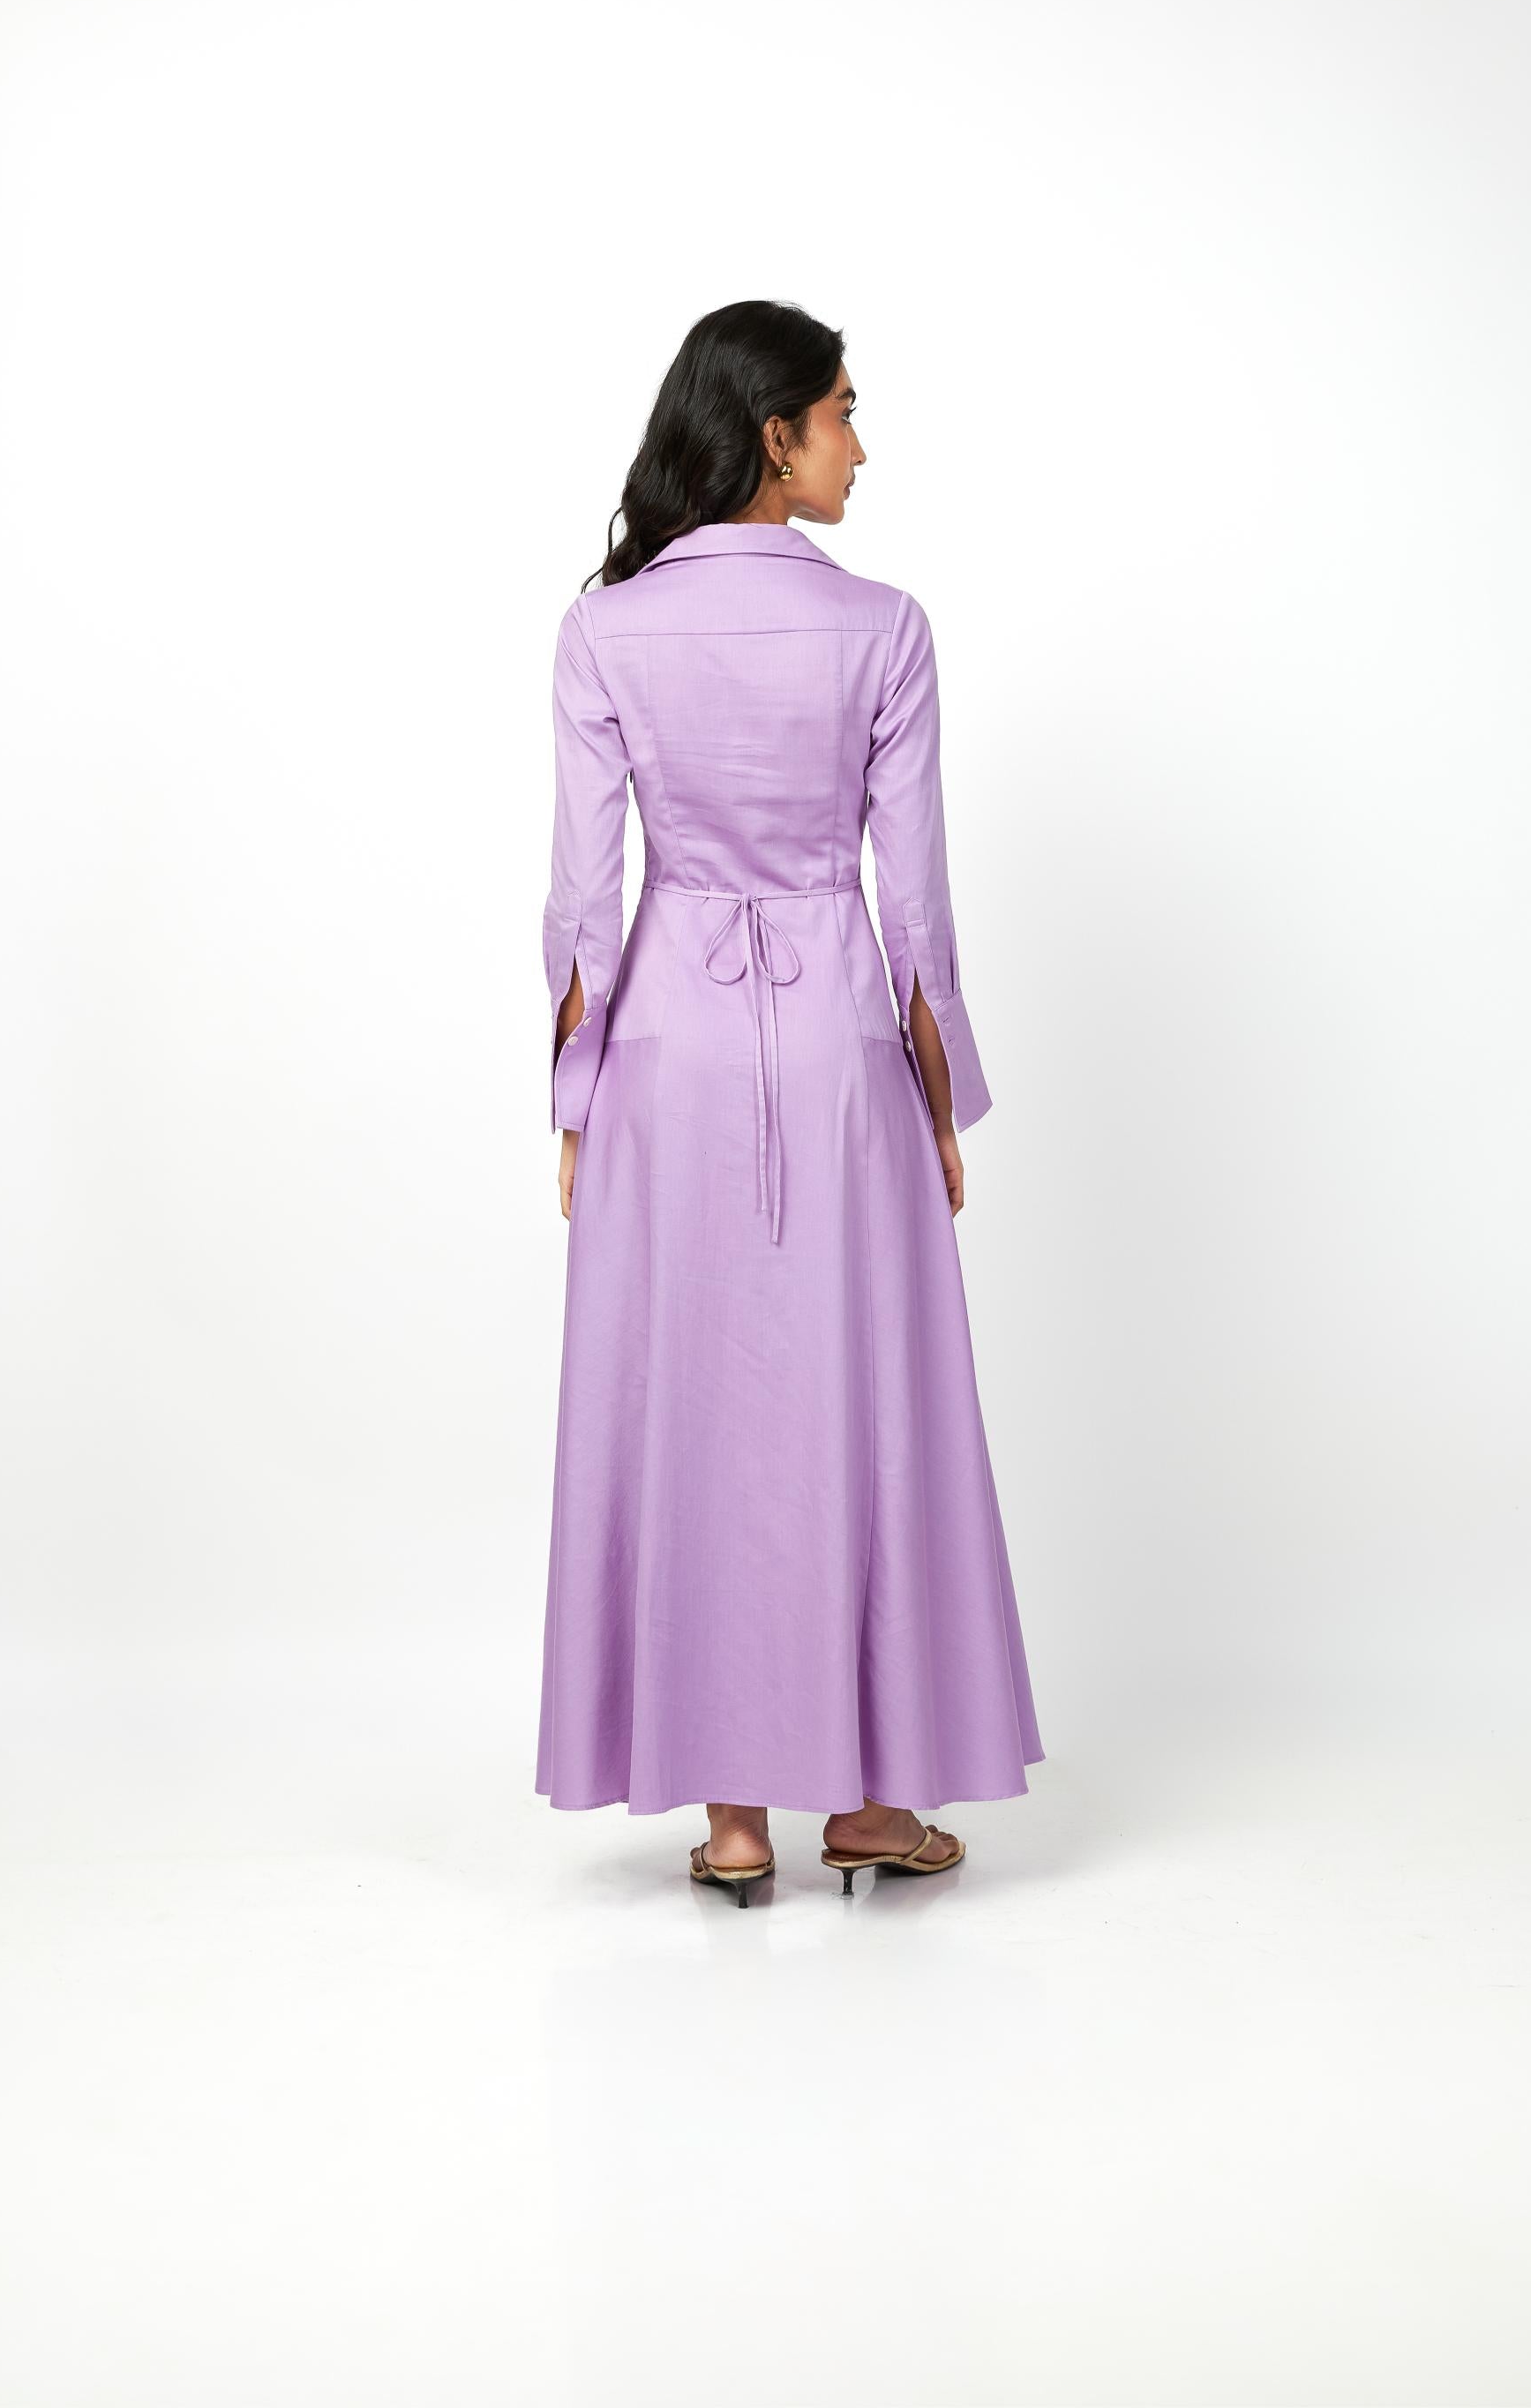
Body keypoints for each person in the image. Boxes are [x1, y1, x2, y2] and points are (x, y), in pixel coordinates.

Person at [535, 298, 1043, 1901]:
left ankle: (733, 1823)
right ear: (775, 435)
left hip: (664, 1054)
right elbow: (919, 906)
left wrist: (574, 1093)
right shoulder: (883, 628)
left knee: (687, 1404)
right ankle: (874, 1807)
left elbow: (582, 903)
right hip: (836, 1053)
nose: (860, 445)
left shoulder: (604, 632)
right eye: (840, 413)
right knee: (862, 1400)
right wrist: (937, 1097)